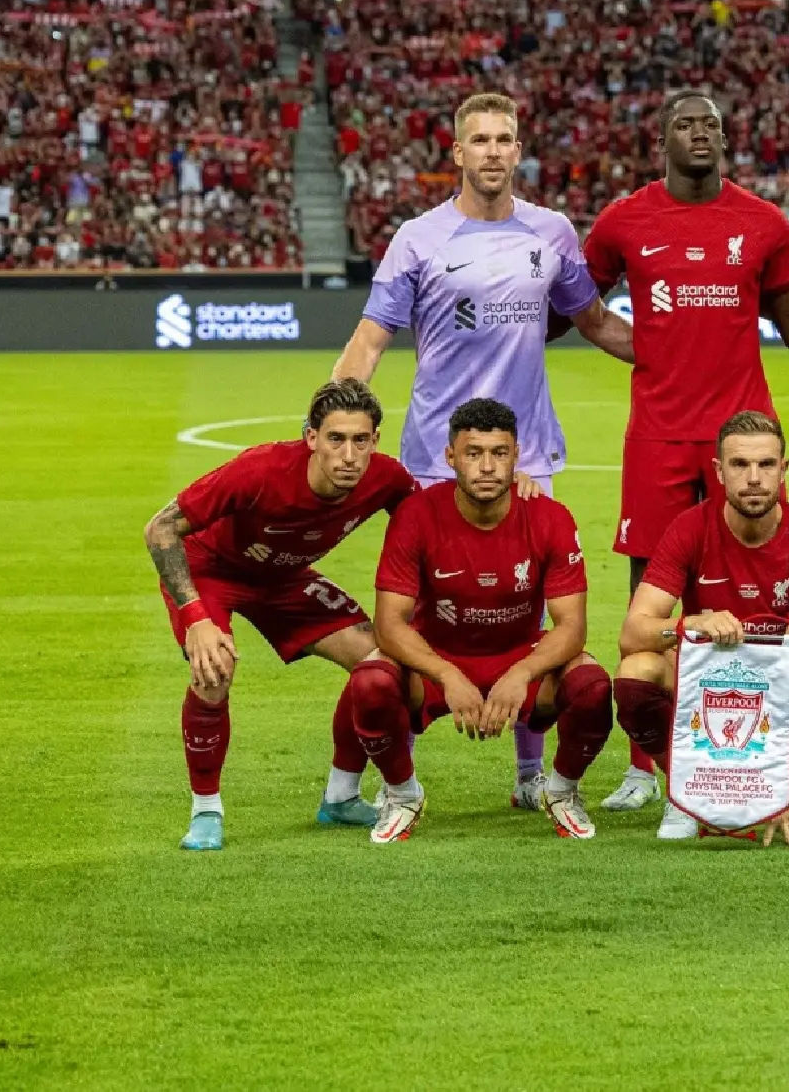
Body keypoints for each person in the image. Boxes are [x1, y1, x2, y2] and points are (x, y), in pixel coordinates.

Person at [330, 91, 633, 810]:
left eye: (504, 139)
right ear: (457, 152)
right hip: (433, 460)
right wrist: (331, 419)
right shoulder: (418, 239)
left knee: (524, 612)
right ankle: (378, 781)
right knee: (415, 621)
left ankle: (529, 774)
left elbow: (594, 320)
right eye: (481, 139)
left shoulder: (551, 232)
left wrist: (682, 355)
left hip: (529, 457)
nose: (493, 151)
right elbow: (370, 339)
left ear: (517, 150)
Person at [584, 91, 789, 815]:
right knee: (648, 589)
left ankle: (765, 758)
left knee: (760, 588)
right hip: (658, 433)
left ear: (725, 135)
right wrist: (641, 348)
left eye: (710, 123)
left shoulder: (763, 223)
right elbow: (581, 305)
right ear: (663, 139)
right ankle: (646, 767)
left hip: (744, 439)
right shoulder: (624, 221)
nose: (699, 134)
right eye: (685, 124)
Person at [142, 380, 417, 852]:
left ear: (375, 440)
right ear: (311, 437)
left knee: (381, 662)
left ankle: (341, 797)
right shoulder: (260, 470)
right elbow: (160, 528)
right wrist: (196, 618)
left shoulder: (387, 478)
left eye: (360, 440)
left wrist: (517, 489)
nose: (348, 455)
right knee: (214, 669)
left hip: (282, 578)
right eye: (335, 439)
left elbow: (430, 519)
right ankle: (206, 812)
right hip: (210, 571)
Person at [610, 411, 789, 843]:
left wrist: (784, 786)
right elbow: (632, 635)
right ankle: (685, 787)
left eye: (766, 464)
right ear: (718, 471)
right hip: (706, 681)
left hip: (780, 681)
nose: (753, 478)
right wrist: (693, 623)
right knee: (636, 672)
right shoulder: (689, 529)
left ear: (783, 469)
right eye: (739, 464)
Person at [339, 398, 612, 844]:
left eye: (499, 453)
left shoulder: (551, 517)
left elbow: (571, 627)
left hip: (518, 654)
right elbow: (389, 625)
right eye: (473, 453)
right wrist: (446, 674)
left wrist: (522, 673)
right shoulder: (416, 515)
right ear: (451, 457)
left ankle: (561, 791)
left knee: (593, 687)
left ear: (517, 455)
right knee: (370, 682)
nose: (487, 467)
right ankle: (402, 795)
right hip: (438, 655)